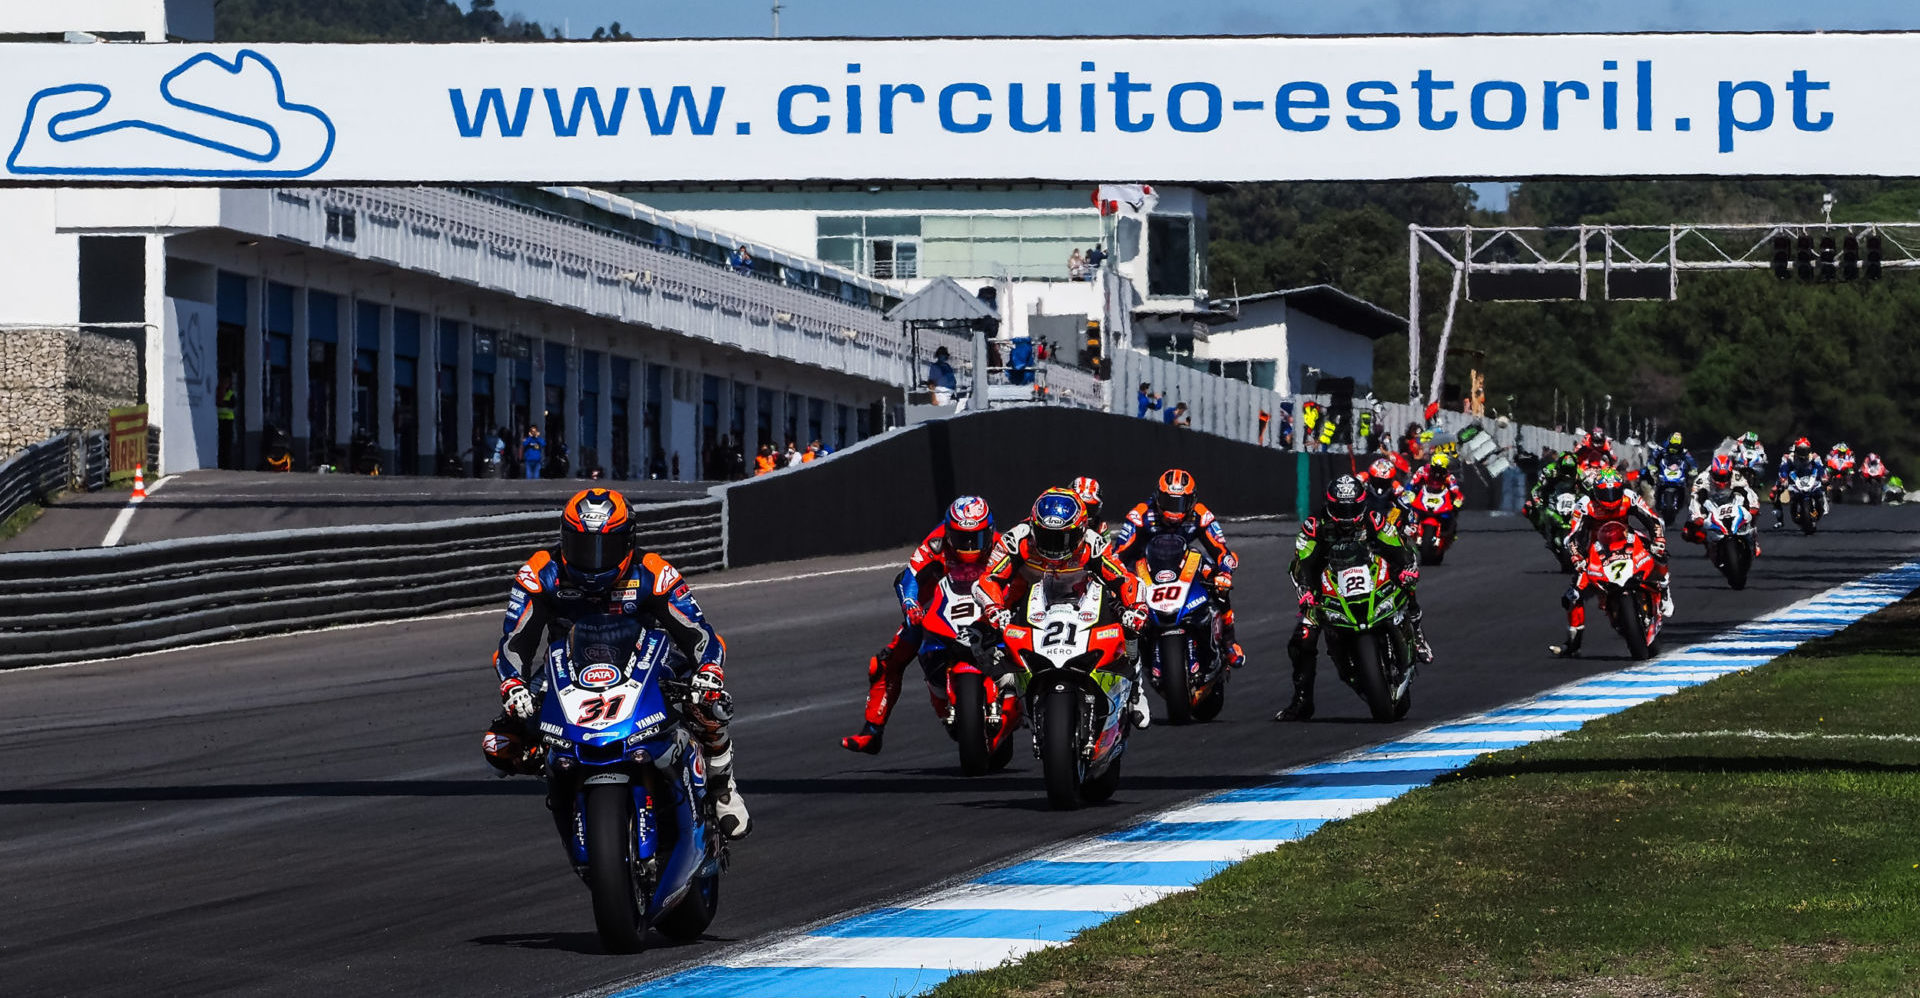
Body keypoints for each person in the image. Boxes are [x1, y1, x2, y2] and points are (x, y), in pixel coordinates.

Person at [482, 488, 750, 839]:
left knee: (710, 703)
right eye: (582, 546)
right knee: (499, 743)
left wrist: (708, 673)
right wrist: (513, 686)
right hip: (565, 670)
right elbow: (514, 643)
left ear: (628, 542)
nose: (593, 560)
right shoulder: (539, 573)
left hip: (650, 662)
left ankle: (721, 786)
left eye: (604, 548)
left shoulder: (654, 572)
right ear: (564, 538)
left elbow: (700, 635)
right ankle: (554, 768)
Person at [974, 488, 1152, 726]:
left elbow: (1124, 579)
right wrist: (995, 609)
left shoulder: (1093, 542)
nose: (1054, 546)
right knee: (972, 636)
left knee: (1129, 621)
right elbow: (988, 579)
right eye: (1046, 536)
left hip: (1083, 597)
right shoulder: (1017, 538)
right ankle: (1001, 692)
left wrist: (1136, 607)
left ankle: (1135, 689)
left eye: (1062, 538)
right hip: (1027, 595)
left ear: (1079, 530)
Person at [840, 496, 1000, 753]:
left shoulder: (1002, 544)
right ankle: (872, 732)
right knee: (885, 662)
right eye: (961, 538)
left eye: (976, 538)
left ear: (989, 533)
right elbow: (908, 577)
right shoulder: (935, 542)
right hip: (941, 603)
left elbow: (1024, 574)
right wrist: (911, 605)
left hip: (991, 604)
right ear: (949, 533)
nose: (969, 546)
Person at [1278, 476, 1428, 721]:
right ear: (1330, 505)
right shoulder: (1314, 525)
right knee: (1303, 638)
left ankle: (1417, 631)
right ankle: (1302, 701)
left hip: (1372, 576)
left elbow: (1397, 546)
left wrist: (1406, 567)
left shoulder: (1373, 519)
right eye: (1340, 509)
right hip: (1327, 588)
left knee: (1406, 582)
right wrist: (1305, 591)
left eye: (1352, 508)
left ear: (1362, 503)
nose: (1347, 515)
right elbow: (1300, 563)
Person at [1112, 469, 1244, 669]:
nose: (1174, 510)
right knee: (1116, 593)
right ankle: (1121, 646)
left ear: (1191, 501)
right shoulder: (1140, 514)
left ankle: (1229, 641)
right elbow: (1119, 553)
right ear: (1158, 497)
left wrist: (1225, 571)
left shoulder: (1201, 514)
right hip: (1145, 564)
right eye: (1168, 501)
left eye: (1180, 503)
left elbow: (1220, 549)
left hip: (1184, 561)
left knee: (1219, 582)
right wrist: (1118, 577)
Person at [1552, 468, 1671, 657]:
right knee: (1573, 594)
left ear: (1620, 488)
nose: (1609, 498)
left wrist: (1658, 540)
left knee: (1658, 552)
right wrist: (1576, 558)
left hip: (1627, 538)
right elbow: (1572, 536)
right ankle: (1573, 642)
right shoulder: (1585, 505)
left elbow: (1653, 520)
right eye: (1604, 493)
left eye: (1613, 492)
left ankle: (1664, 591)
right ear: (1595, 491)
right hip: (1596, 547)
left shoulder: (1629, 497)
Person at [1683, 454, 1762, 554]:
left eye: (1724, 477)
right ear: (1712, 473)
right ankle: (1709, 542)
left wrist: (1753, 505)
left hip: (1732, 502)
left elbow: (1748, 491)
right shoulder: (1703, 478)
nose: (1721, 481)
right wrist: (1697, 516)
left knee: (1752, 512)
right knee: (1687, 532)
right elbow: (1694, 497)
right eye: (1718, 477)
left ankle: (1753, 539)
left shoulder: (1736, 475)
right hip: (1711, 504)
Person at [1772, 437, 1827, 528]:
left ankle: (1822, 502)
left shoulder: (1814, 457)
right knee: (1775, 492)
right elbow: (1784, 469)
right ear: (1796, 450)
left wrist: (1823, 477)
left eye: (1805, 450)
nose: (1803, 452)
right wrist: (1784, 479)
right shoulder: (1790, 458)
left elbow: (1820, 468)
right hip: (1795, 480)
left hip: (1810, 479)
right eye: (1801, 450)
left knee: (1820, 491)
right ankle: (1780, 520)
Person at [216, 373, 238, 469]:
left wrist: (223, 403)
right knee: (221, 444)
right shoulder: (218, 392)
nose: (224, 384)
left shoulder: (230, 394)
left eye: (226, 382)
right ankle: (221, 463)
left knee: (227, 445)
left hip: (228, 421)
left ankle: (227, 465)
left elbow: (232, 405)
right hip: (220, 422)